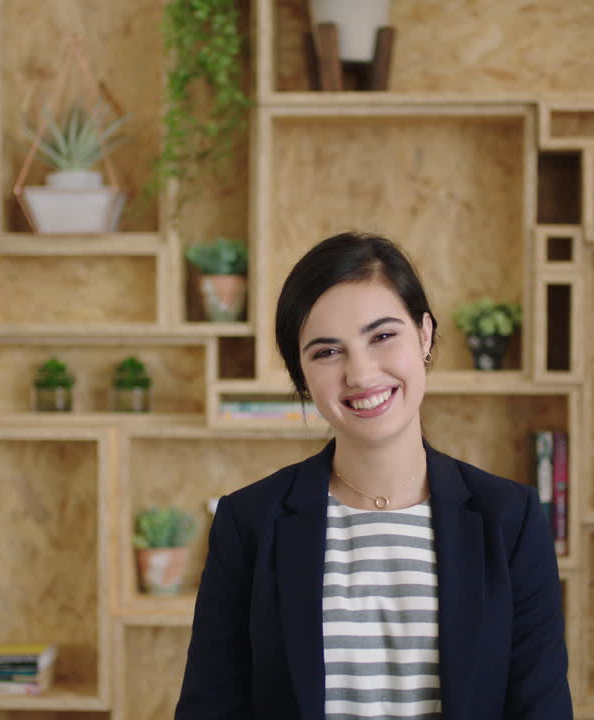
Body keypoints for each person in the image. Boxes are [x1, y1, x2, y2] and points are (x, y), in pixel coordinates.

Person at [175, 231, 572, 720]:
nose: (361, 375)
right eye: (326, 352)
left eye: (383, 336)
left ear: (424, 335)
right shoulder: (249, 522)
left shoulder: (511, 520)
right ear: (301, 375)